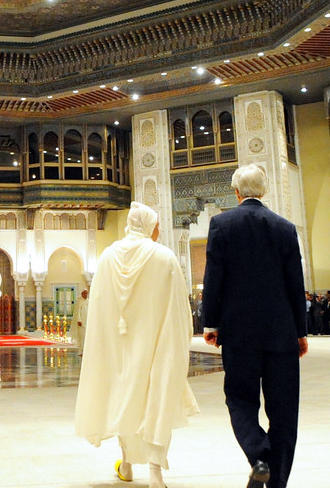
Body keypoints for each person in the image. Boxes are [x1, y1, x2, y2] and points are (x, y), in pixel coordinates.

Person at [75, 201, 197, 488]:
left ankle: (127, 464)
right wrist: (179, 343)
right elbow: (179, 309)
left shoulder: (107, 258)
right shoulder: (164, 258)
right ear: (148, 226)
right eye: (156, 226)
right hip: (157, 347)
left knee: (124, 399)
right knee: (157, 402)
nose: (158, 232)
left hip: (119, 350)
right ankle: (155, 472)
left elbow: (99, 310)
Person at [203, 165, 307, 488]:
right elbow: (295, 285)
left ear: (236, 192)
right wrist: (300, 332)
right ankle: (276, 483)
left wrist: (211, 323)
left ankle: (259, 455)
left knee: (239, 398)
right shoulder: (285, 228)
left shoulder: (221, 225)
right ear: (264, 192)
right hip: (281, 335)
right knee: (284, 412)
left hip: (239, 335)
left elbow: (213, 279)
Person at [71, 289, 89, 353]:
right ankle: (81, 350)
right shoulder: (79, 302)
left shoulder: (88, 301)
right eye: (84, 293)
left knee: (87, 336)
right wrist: (79, 320)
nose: (85, 295)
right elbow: (77, 312)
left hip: (87, 321)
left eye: (86, 294)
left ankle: (86, 351)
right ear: (82, 294)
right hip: (81, 322)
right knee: (81, 336)